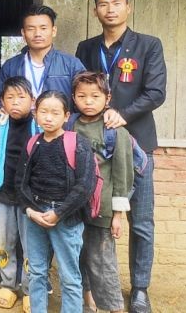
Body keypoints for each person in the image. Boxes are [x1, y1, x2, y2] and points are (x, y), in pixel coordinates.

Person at [75, 0, 166, 313]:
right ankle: (88, 287)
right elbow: (78, 89)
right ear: (95, 11)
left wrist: (122, 114)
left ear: (128, 8)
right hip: (95, 151)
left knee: (140, 220)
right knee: (91, 219)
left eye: (116, 3)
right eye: (103, 4)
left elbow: (156, 92)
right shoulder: (86, 47)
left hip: (137, 145)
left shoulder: (148, 46)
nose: (110, 9)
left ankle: (140, 288)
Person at [17, 90, 96, 313]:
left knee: (69, 277)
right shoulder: (33, 144)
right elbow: (21, 183)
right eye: (43, 111)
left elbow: (85, 185)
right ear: (35, 114)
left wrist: (59, 212)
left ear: (66, 115)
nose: (48, 118)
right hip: (36, 215)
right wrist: (30, 211)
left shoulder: (77, 143)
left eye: (55, 112)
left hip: (67, 218)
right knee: (37, 272)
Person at [70, 72, 133, 313]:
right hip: (74, 207)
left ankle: (114, 307)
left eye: (95, 96)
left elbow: (122, 175)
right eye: (82, 96)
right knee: (79, 255)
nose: (88, 101)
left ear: (107, 98)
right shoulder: (70, 125)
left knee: (102, 261)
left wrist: (117, 215)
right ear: (73, 98)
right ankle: (88, 301)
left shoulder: (114, 131)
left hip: (103, 209)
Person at [0, 76, 37, 310]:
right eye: (10, 98)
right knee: (2, 242)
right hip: (6, 193)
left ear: (32, 100)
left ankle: (30, 290)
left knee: (31, 246)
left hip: (31, 198)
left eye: (21, 97)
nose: (16, 103)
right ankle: (8, 285)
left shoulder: (39, 125)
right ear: (2, 101)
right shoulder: (0, 124)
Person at [0, 5, 86, 107]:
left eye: (43, 28)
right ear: (23, 33)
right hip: (22, 122)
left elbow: (85, 96)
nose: (37, 34)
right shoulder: (11, 66)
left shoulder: (71, 64)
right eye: (31, 29)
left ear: (53, 31)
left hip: (60, 122)